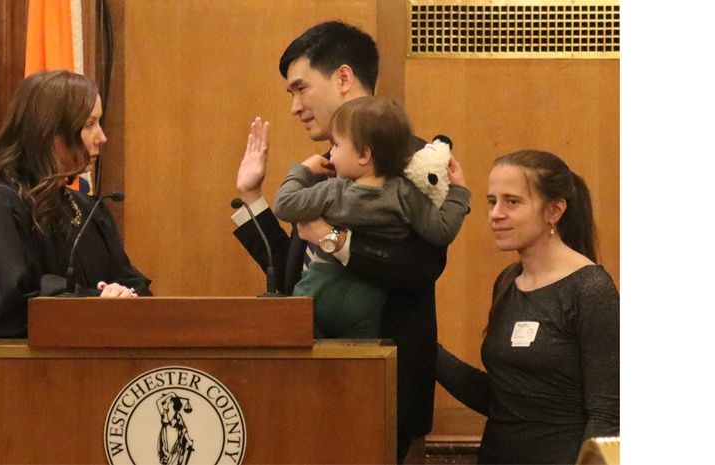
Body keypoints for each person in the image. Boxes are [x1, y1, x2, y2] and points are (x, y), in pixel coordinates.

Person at [231, 21, 446, 462]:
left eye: (300, 89)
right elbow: (293, 275)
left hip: (383, 387)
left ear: (344, 78)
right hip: (312, 380)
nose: (294, 106)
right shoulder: (326, 165)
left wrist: (334, 240)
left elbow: (419, 269)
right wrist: (253, 195)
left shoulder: (415, 160)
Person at [436, 150, 619, 464]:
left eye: (512, 202)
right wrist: (425, 349)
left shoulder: (591, 289)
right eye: (492, 201)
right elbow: (504, 399)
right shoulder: (508, 281)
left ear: (554, 210)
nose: (495, 213)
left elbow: (607, 415)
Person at [271, 96, 470, 339]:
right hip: (368, 302)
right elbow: (442, 230)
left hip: (319, 290)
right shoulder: (406, 195)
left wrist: (301, 171)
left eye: (336, 145)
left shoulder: (335, 191)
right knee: (365, 364)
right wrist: (458, 193)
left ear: (364, 154)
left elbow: (284, 205)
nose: (331, 153)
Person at [0, 70, 150, 338]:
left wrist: (125, 296)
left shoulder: (89, 208)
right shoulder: (1, 204)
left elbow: (134, 283)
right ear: (48, 131)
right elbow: (13, 308)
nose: (102, 137)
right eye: (89, 124)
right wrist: (96, 302)